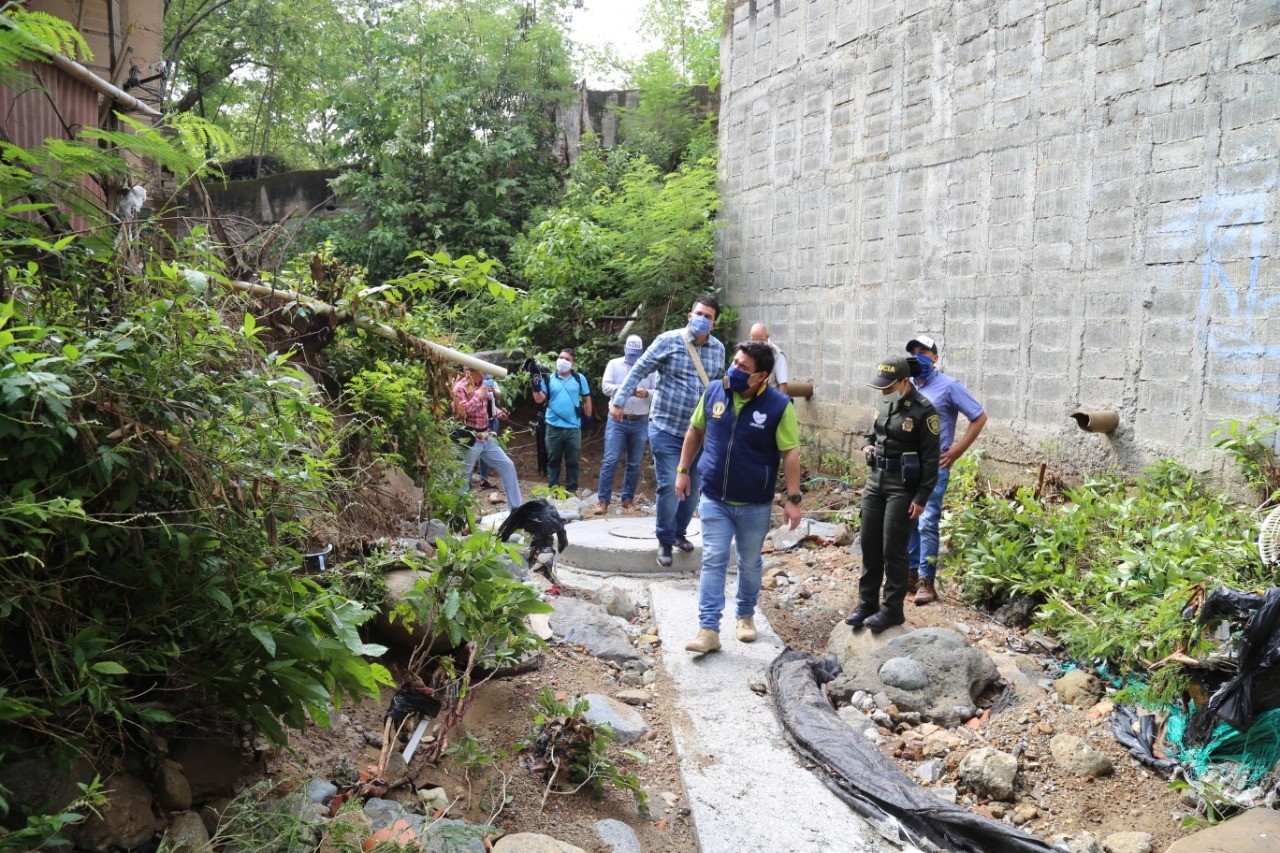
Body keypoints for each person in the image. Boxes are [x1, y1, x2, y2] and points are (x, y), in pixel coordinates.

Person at [677, 341, 802, 654]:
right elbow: (695, 430)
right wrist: (682, 470)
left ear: (760, 376)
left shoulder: (778, 405)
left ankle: (745, 616)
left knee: (749, 563)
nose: (734, 369)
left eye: (743, 367)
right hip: (715, 496)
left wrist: (793, 498)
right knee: (714, 559)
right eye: (735, 362)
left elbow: (790, 453)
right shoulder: (715, 392)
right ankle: (708, 629)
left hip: (754, 502)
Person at [609, 296, 726, 568]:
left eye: (708, 316)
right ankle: (664, 540)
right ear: (689, 315)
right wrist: (619, 400)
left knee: (693, 489)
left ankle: (678, 533)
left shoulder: (718, 349)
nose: (702, 318)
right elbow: (639, 369)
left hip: (698, 433)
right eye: (699, 313)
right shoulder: (668, 341)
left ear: (714, 323)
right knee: (671, 486)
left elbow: (719, 386)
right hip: (665, 427)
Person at [844, 355, 940, 632]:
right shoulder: (884, 401)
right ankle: (866, 603)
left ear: (904, 381)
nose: (884, 391)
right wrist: (866, 447)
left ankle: (892, 610)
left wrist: (922, 498)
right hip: (876, 482)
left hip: (903, 486)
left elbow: (932, 460)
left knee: (893, 549)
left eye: (888, 386)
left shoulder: (925, 411)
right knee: (870, 545)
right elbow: (869, 434)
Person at [904, 334, 987, 605]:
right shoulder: (907, 386)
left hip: (934, 464)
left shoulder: (949, 386)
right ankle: (910, 575)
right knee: (909, 518)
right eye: (913, 351)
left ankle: (928, 581)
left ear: (935, 357)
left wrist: (957, 451)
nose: (917, 355)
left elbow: (979, 416)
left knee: (927, 520)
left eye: (923, 352)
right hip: (908, 463)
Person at [595, 335, 656, 515]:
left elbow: (658, 390)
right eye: (630, 354)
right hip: (617, 420)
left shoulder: (651, 368)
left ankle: (627, 499)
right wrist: (625, 388)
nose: (633, 357)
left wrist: (646, 393)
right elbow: (605, 387)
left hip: (640, 420)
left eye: (636, 354)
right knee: (610, 459)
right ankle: (602, 500)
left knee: (634, 463)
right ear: (624, 349)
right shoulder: (614, 364)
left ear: (642, 352)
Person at [452, 366, 522, 508]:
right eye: (466, 369)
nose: (467, 373)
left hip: (485, 436)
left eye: (471, 370)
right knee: (463, 478)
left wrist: (497, 412)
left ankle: (516, 509)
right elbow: (462, 411)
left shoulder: (482, 384)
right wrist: (479, 394)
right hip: (469, 438)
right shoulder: (460, 388)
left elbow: (484, 409)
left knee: (507, 466)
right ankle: (461, 518)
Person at [533, 348, 592, 493]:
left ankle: (572, 490)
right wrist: (535, 384)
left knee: (573, 460)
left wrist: (588, 417)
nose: (563, 361)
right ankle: (553, 490)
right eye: (561, 357)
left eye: (567, 359)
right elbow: (539, 399)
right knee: (553, 460)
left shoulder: (579, 378)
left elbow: (586, 398)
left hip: (573, 427)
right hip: (553, 426)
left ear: (573, 363)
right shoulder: (548, 379)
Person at [748, 323, 789, 396]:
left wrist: (780, 405)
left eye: (761, 341)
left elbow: (783, 384)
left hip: (769, 399)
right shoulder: (746, 352)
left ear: (768, 336)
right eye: (753, 341)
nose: (757, 344)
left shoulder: (777, 354)